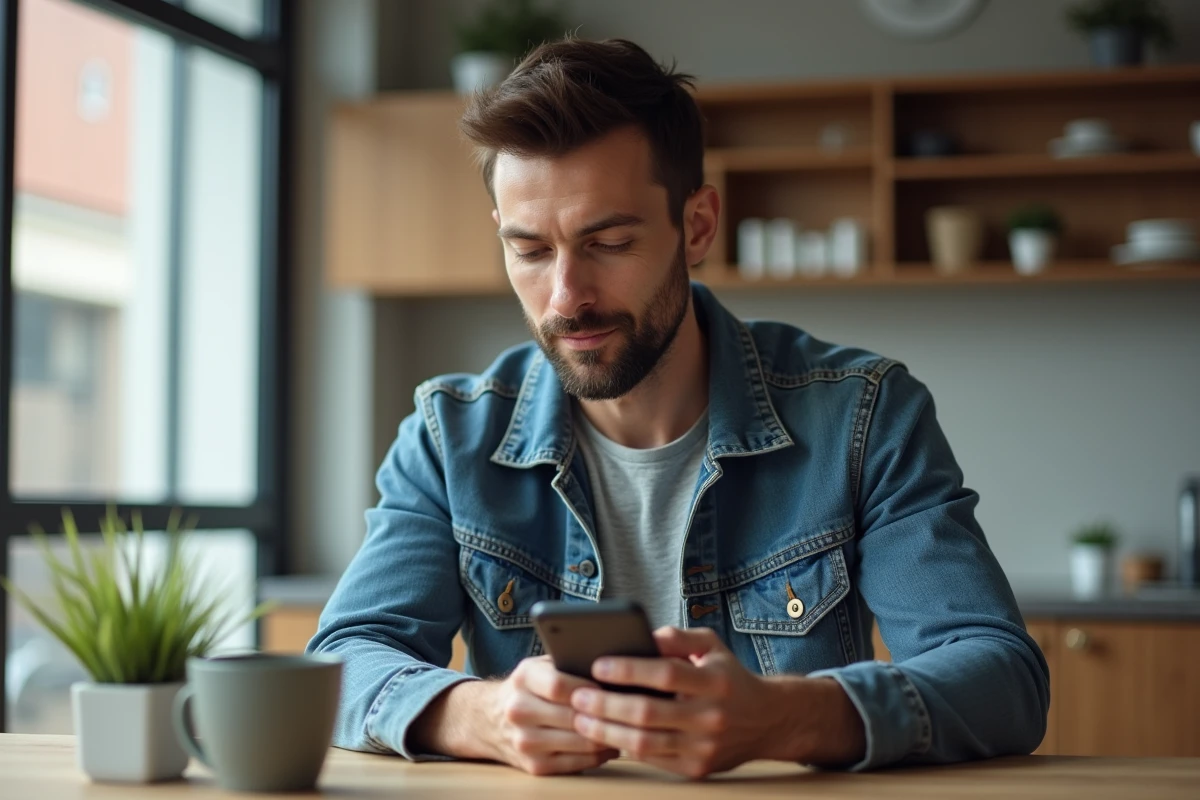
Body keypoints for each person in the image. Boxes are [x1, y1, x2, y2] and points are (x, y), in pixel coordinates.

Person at [308, 37, 1049, 779]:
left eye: (610, 241)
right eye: (530, 250)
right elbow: (343, 660)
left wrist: (783, 717)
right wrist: (482, 715)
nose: (567, 296)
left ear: (696, 226)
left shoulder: (863, 416)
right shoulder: (451, 436)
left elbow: (1002, 679)